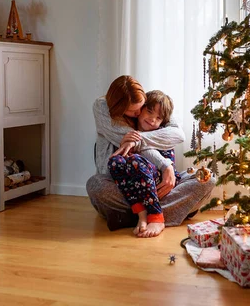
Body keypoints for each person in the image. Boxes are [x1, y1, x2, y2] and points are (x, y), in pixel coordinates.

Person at [87, 75, 216, 232]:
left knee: (207, 178)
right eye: (134, 110)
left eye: (142, 106)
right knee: (95, 185)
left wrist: (164, 164)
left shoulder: (153, 104)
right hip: (123, 186)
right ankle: (159, 212)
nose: (139, 112)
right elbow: (131, 143)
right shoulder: (103, 109)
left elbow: (178, 134)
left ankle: (131, 216)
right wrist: (164, 164)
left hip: (158, 187)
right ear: (119, 107)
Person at [108, 90, 181, 237]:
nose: (153, 119)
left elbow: (168, 169)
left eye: (158, 118)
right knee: (114, 161)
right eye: (149, 111)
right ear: (139, 110)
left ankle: (156, 216)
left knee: (135, 160)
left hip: (159, 181)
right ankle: (141, 214)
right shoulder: (128, 130)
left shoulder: (162, 134)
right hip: (133, 182)